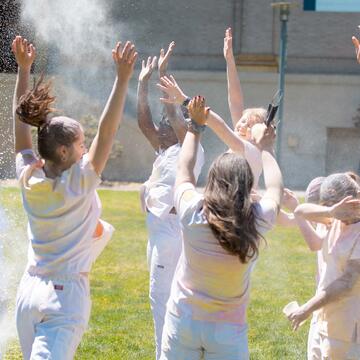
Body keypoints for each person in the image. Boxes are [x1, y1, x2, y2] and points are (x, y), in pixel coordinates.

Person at [12, 35, 137, 359]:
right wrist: (122, 79)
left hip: (28, 293)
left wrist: (24, 70)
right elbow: (108, 132)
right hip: (62, 298)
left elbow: (22, 131)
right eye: (82, 143)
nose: (87, 148)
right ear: (65, 151)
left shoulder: (29, 177)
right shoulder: (79, 184)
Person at [160, 96, 283, 359]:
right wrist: (266, 149)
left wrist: (195, 127)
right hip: (228, 330)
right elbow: (275, 189)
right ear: (248, 184)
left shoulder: (193, 211)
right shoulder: (258, 219)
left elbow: (185, 168)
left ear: (214, 179)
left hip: (184, 320)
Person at [137, 42, 204, 359]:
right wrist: (142, 82)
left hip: (171, 231)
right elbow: (144, 122)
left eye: (168, 126)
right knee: (163, 294)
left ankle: (166, 352)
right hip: (157, 230)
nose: (161, 128)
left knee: (161, 294)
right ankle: (173, 349)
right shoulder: (165, 150)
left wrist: (164, 74)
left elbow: (176, 119)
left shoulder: (188, 149)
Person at [289, 173, 360, 359]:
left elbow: (347, 282)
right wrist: (331, 212)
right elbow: (300, 211)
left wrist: (307, 308)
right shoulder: (334, 220)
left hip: (346, 329)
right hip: (323, 320)